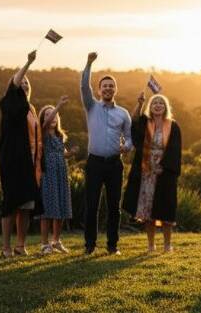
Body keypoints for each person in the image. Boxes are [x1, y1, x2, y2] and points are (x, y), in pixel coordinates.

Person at [81, 51, 132, 255]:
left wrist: (126, 146)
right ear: (100, 90)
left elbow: (129, 138)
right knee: (92, 205)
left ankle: (112, 246)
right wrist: (89, 63)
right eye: (105, 86)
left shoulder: (123, 114)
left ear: (115, 90)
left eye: (111, 86)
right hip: (94, 163)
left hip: (114, 165)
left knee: (113, 207)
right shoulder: (91, 106)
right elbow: (84, 86)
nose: (108, 88)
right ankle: (90, 245)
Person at [122, 93, 182, 253]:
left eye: (161, 103)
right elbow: (133, 122)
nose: (157, 105)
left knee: (166, 209)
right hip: (146, 172)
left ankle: (168, 244)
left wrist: (165, 166)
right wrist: (139, 103)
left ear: (165, 107)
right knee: (148, 210)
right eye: (154, 102)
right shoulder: (145, 123)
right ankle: (151, 245)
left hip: (165, 172)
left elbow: (176, 149)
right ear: (151, 106)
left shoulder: (173, 125)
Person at [0, 50, 43, 258]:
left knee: (27, 205)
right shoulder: (8, 103)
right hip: (13, 161)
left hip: (31, 164)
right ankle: (6, 247)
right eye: (21, 83)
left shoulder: (31, 109)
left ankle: (20, 245)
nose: (24, 85)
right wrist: (28, 63)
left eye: (27, 84)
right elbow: (15, 84)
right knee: (11, 203)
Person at [37, 95, 74, 255]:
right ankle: (44, 244)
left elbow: (62, 154)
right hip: (48, 175)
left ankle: (56, 241)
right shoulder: (43, 133)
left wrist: (70, 153)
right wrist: (57, 105)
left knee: (60, 208)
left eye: (53, 115)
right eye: (47, 114)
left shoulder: (59, 136)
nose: (51, 117)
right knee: (47, 210)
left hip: (60, 174)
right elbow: (44, 123)